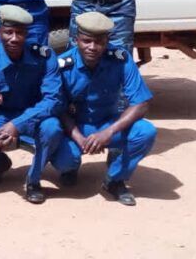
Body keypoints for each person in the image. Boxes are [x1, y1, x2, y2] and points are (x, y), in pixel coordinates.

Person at [51, 12, 157, 206]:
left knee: (146, 131)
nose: (92, 47)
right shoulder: (63, 65)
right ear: (76, 40)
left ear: (107, 40)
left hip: (107, 123)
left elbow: (141, 104)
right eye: (86, 41)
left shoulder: (121, 59)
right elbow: (58, 108)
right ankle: (70, 168)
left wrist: (108, 133)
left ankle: (115, 179)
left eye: (99, 42)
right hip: (75, 127)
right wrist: (78, 137)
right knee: (66, 160)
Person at [0, 5, 63, 204]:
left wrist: (17, 125)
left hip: (32, 119)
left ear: (27, 33)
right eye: (9, 32)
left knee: (52, 127)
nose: (15, 38)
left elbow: (53, 100)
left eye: (20, 33)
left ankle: (34, 181)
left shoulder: (44, 57)